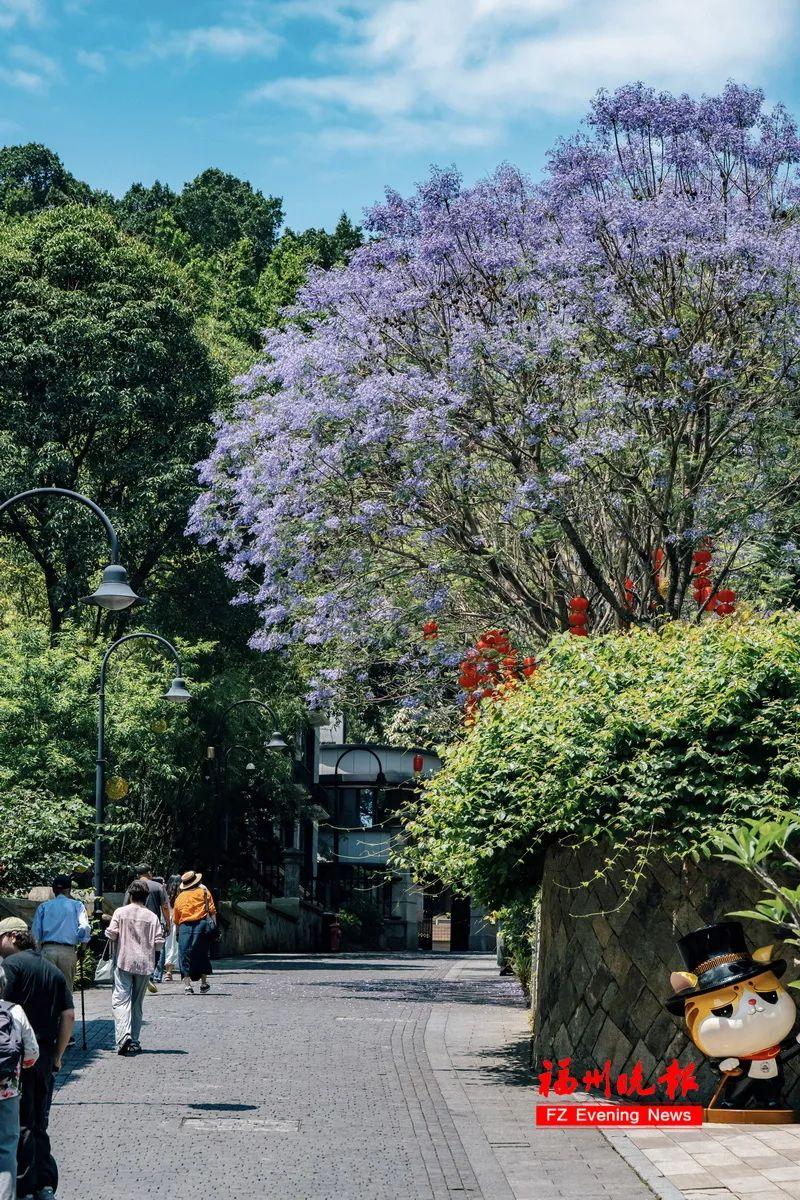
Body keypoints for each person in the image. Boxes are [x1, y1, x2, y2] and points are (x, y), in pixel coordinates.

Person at [0, 917, 75, 1200]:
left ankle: (24, 1185)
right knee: (39, 1121)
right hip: (43, 1054)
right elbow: (68, 1015)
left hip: (13, 1059)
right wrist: (57, 1056)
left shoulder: (10, 967)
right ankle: (45, 1182)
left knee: (19, 1123)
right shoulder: (52, 969)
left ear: (11, 936)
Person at [106, 880, 164, 1056]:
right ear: (146, 897)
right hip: (145, 964)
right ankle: (135, 1041)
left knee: (121, 1000)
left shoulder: (120, 912)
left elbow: (112, 934)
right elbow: (159, 943)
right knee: (137, 1003)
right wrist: (154, 960)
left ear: (130, 895)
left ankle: (124, 1036)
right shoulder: (152, 917)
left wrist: (109, 933)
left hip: (124, 961)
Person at [0, 962, 38, 1200]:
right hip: (7, 1090)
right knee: (6, 1147)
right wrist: (20, 1067)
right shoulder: (15, 1011)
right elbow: (32, 1052)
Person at [30, 875, 91, 989]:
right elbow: (84, 927)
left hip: (48, 951)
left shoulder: (44, 907)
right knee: (66, 990)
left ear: (53, 890)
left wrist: (38, 953)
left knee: (47, 990)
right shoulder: (77, 905)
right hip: (68, 952)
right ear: (69, 890)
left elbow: (35, 935)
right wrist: (82, 950)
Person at [123, 865, 171, 994]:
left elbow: (125, 905)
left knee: (134, 948)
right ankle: (149, 974)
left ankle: (135, 973)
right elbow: (165, 906)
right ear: (149, 872)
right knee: (155, 950)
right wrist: (168, 923)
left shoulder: (132, 886)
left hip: (133, 923)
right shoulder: (158, 886)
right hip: (152, 923)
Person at [173, 871, 216, 995]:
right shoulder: (204, 892)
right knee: (202, 953)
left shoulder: (180, 897)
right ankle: (203, 984)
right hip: (201, 925)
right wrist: (214, 927)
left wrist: (177, 933)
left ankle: (187, 986)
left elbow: (176, 918)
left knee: (184, 954)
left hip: (184, 927)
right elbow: (212, 911)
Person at [153, 876, 181, 984]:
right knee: (173, 946)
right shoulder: (181, 893)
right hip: (176, 921)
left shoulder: (164, 892)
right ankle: (169, 971)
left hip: (164, 920)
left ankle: (158, 972)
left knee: (162, 946)